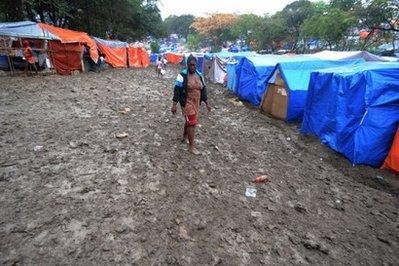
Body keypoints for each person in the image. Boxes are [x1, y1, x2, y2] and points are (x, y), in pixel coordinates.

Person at [171, 55, 211, 155]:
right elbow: (177, 90)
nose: (192, 67)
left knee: (189, 120)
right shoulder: (182, 75)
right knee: (192, 122)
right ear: (187, 64)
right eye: (190, 65)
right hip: (186, 102)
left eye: (194, 65)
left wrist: (206, 103)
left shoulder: (200, 75)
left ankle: (184, 137)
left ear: (196, 65)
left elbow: (203, 89)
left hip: (196, 102)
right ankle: (191, 147)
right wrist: (174, 105)